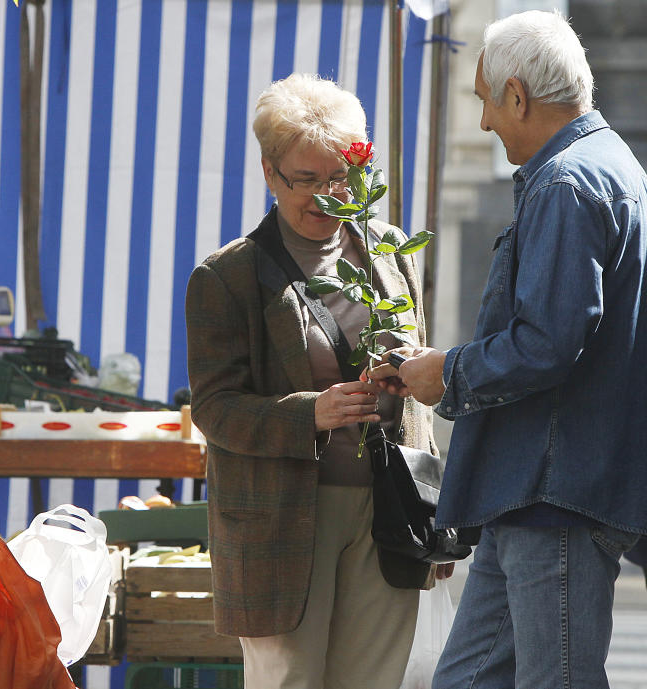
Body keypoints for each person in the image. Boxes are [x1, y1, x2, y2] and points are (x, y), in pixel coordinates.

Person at [370, 11, 646, 688]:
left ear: (517, 95)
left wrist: (449, 371)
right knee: (464, 680)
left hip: (553, 490)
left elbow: (550, 343)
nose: (486, 122)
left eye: (486, 101)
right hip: (538, 491)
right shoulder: (608, 166)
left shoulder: (566, 182)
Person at [185, 73, 440, 689]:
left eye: (341, 178)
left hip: (387, 512)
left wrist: (433, 512)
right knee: (289, 681)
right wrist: (310, 413)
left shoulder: (390, 250)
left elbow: (418, 385)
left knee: (375, 681)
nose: (328, 195)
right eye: (308, 180)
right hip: (282, 521)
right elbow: (214, 409)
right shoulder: (228, 277)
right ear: (270, 173)